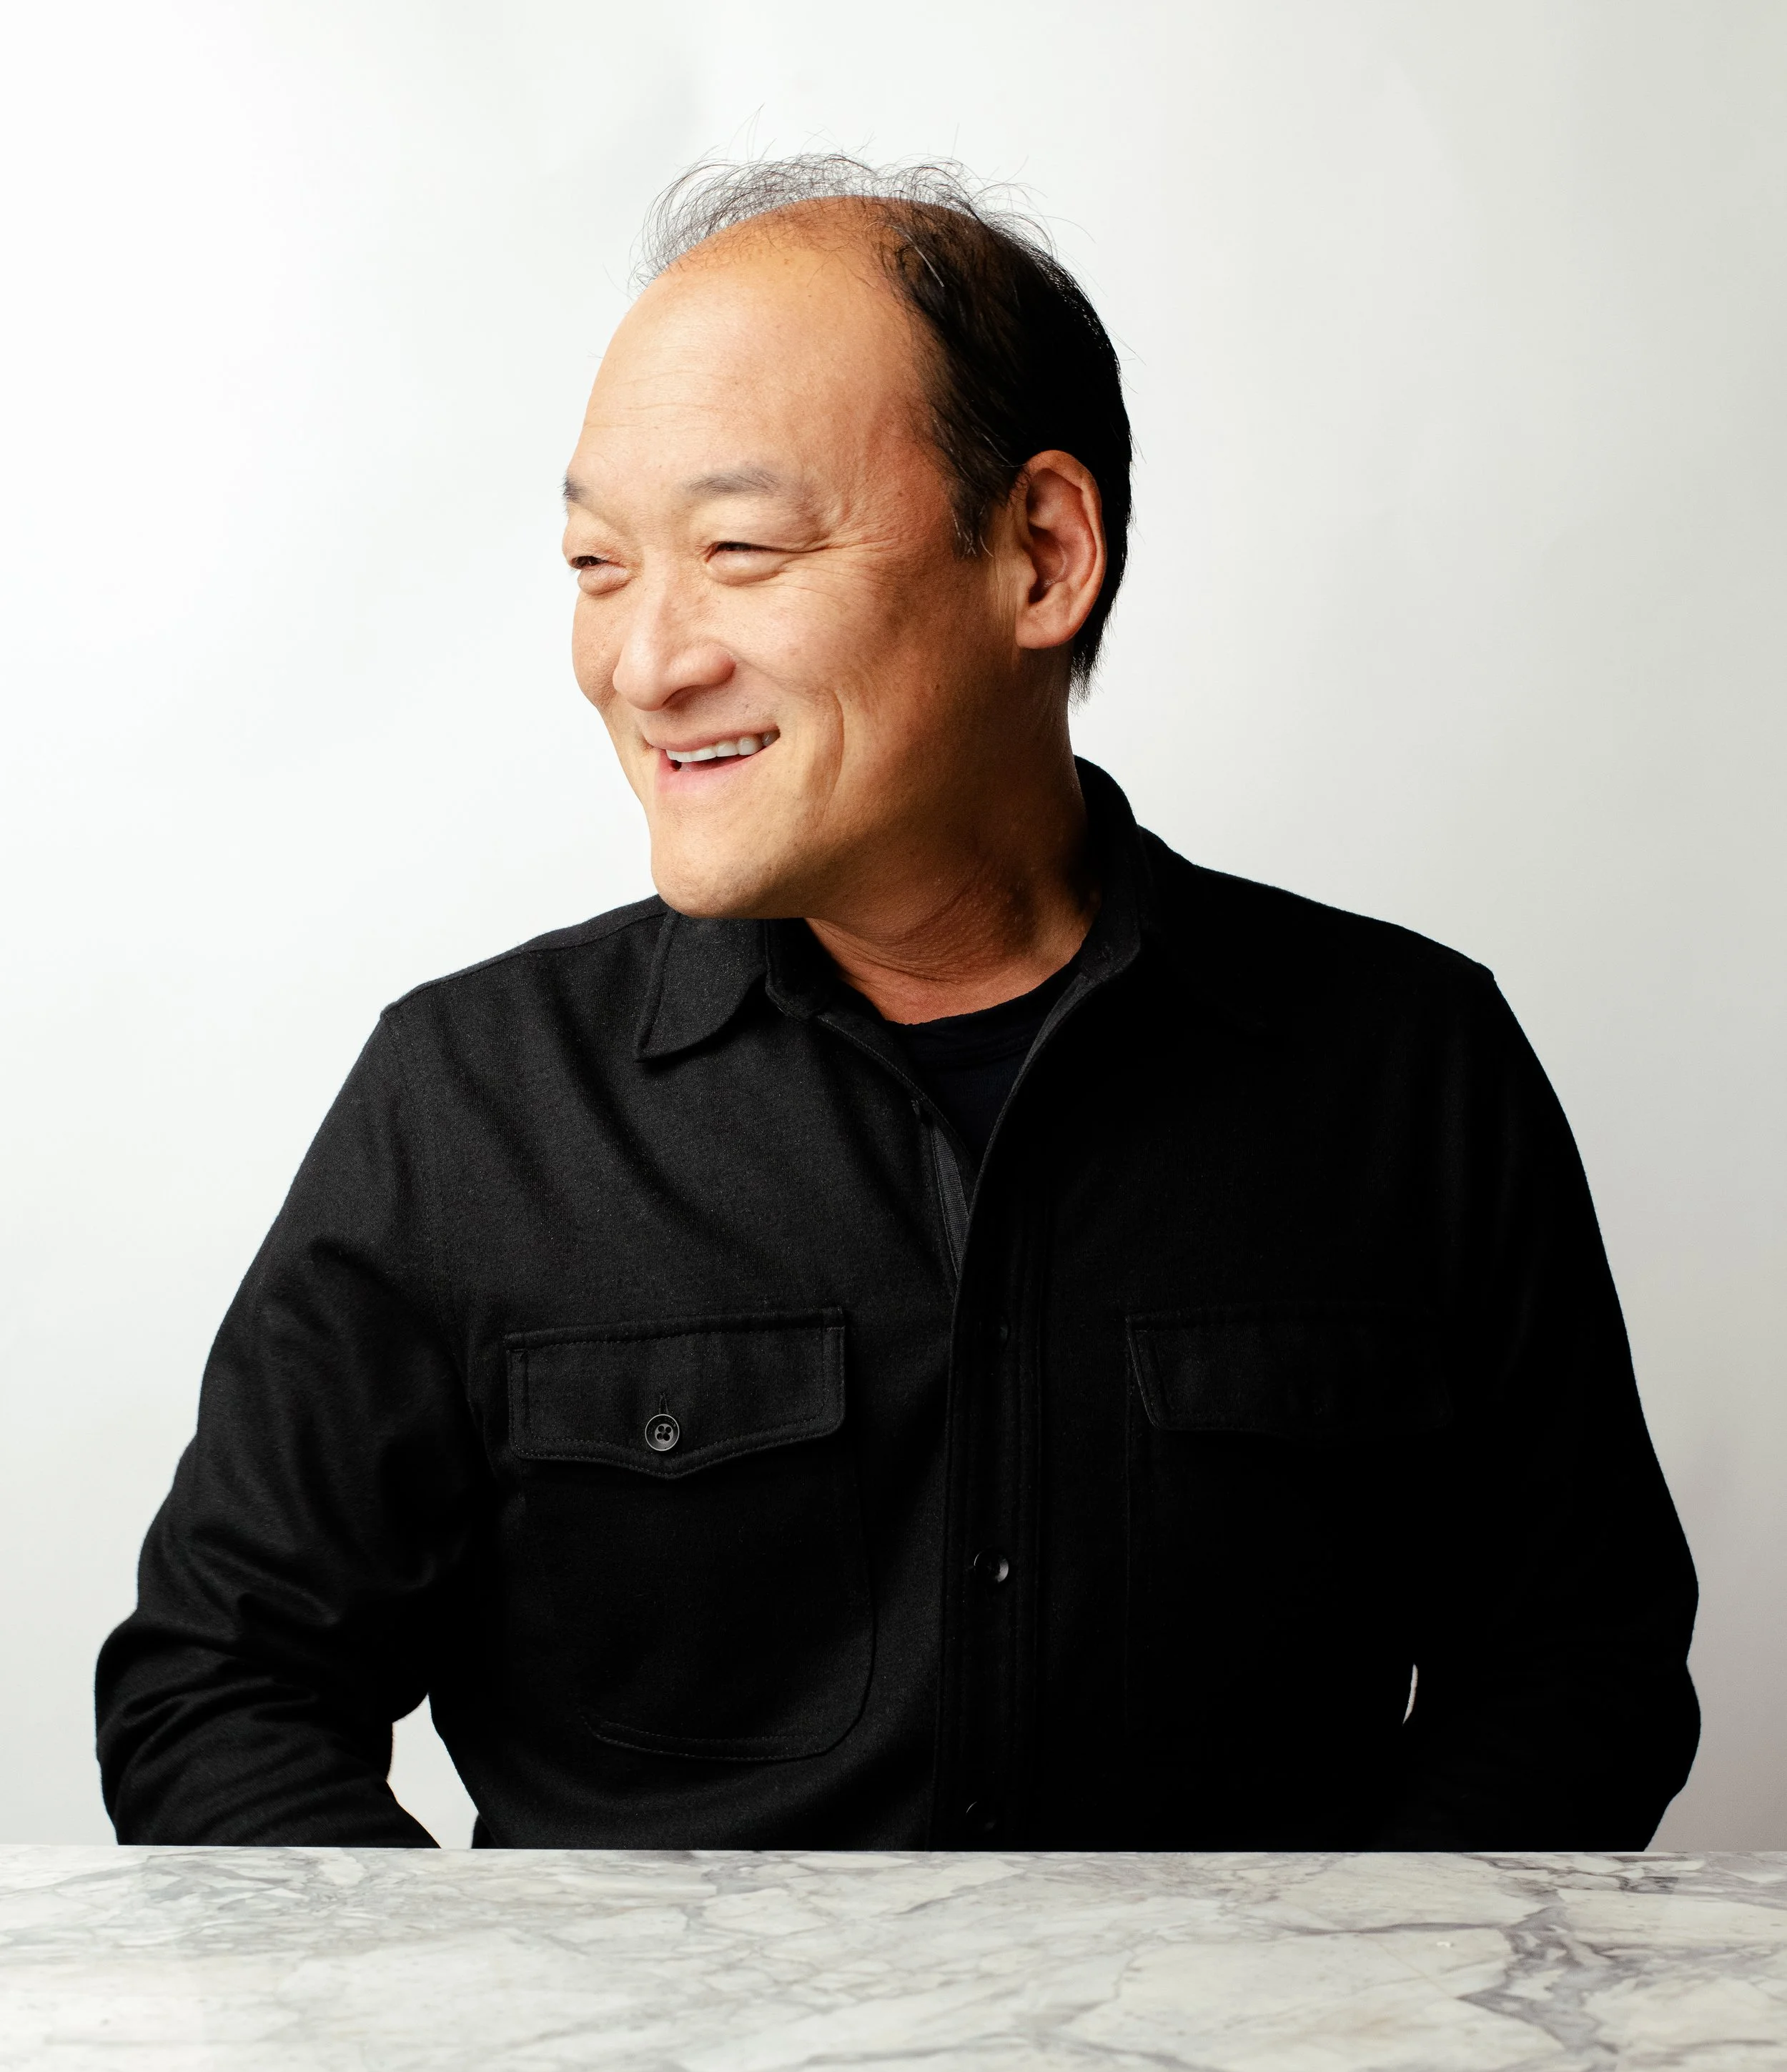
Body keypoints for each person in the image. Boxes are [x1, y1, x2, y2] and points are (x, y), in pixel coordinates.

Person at [97, 157, 1699, 1851]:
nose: (645, 663)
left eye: (737, 549)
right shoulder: (470, 1098)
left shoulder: (1401, 1068)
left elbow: (1573, 1670)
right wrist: (506, 2069)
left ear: (1039, 553)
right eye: (595, 565)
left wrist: (1329, 2047)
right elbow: (223, 1688)